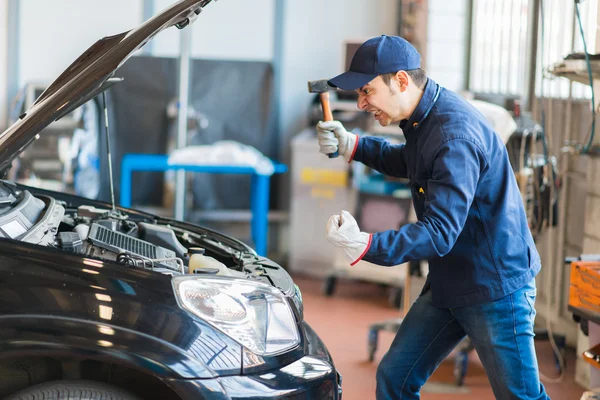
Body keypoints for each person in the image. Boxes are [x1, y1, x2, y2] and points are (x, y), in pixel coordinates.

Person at [317, 35, 548, 400]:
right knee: (395, 378)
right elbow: (413, 161)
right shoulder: (425, 115)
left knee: (521, 397)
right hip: (451, 278)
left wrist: (367, 245)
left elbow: (439, 231)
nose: (362, 103)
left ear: (401, 81)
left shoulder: (454, 135)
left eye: (367, 90)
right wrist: (355, 145)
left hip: (494, 286)